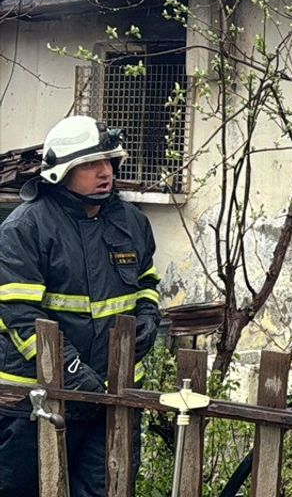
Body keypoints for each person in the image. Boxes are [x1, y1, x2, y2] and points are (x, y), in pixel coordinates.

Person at [0, 116, 162, 497]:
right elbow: (20, 314)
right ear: (61, 171)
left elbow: (147, 282)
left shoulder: (132, 223)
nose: (105, 172)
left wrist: (148, 314)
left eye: (109, 161)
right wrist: (70, 370)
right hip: (34, 404)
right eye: (91, 164)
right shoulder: (25, 228)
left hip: (113, 400)